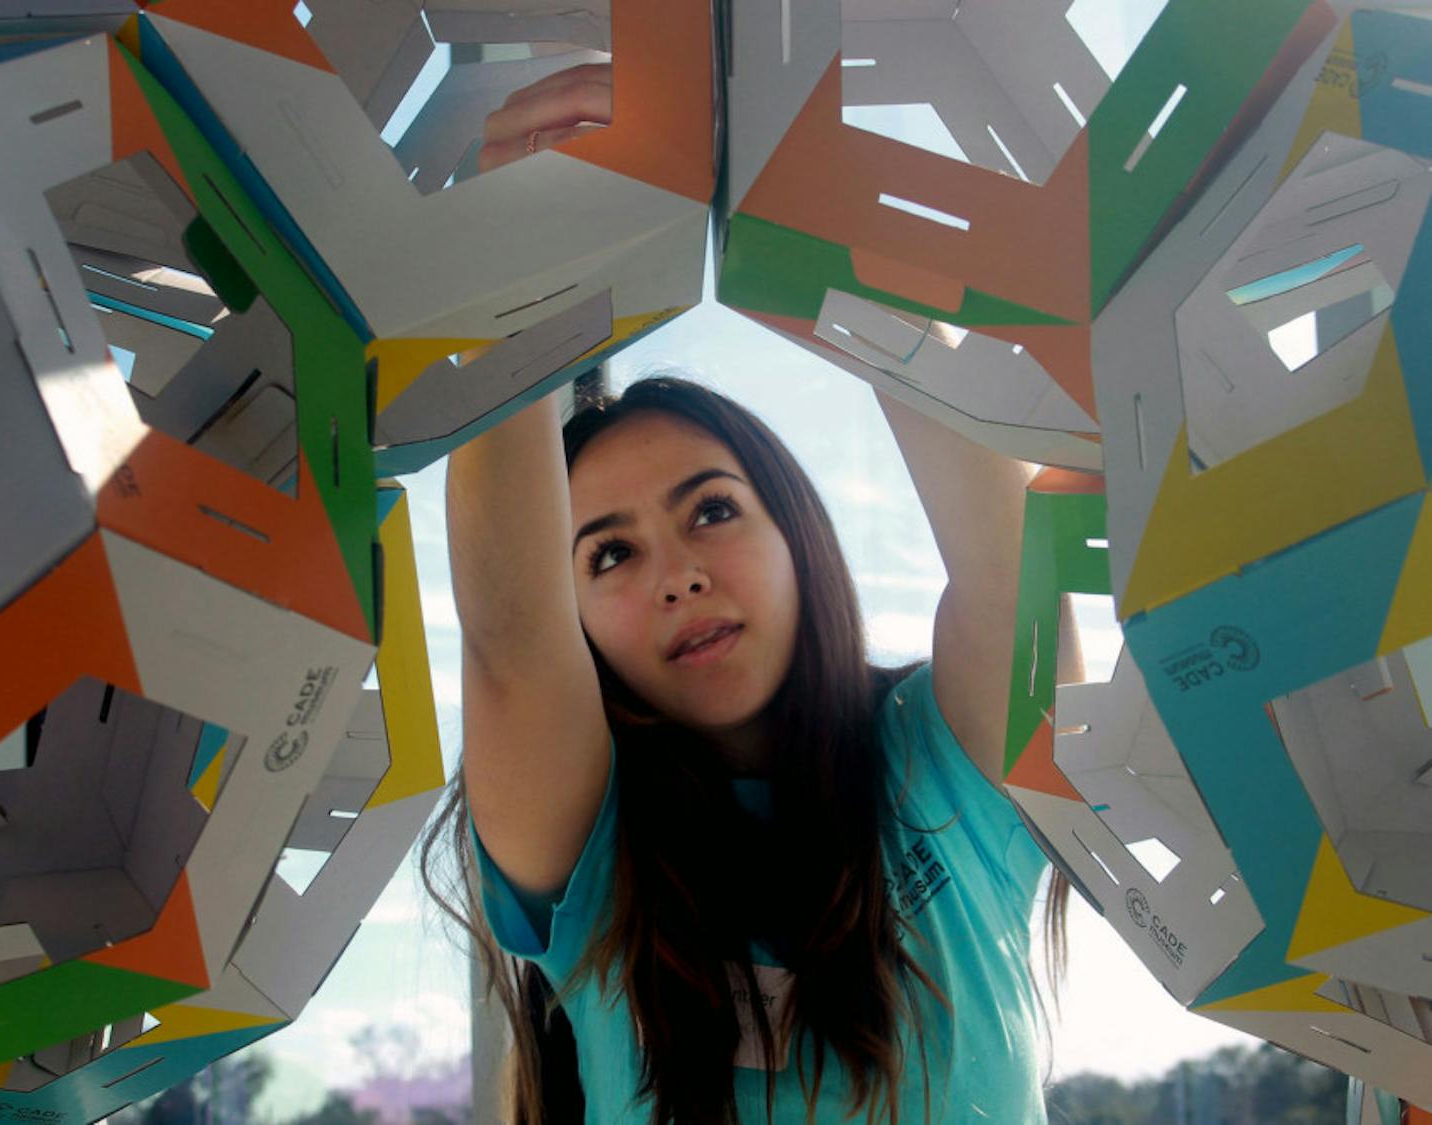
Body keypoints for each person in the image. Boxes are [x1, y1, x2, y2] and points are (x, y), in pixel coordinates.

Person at [421, 65, 1075, 1125]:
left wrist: (781, 186)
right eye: (609, 556)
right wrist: (520, 269)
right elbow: (509, 631)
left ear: (798, 535)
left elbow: (1014, 560)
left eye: (713, 510)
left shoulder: (936, 764)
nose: (677, 570)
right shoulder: (593, 848)